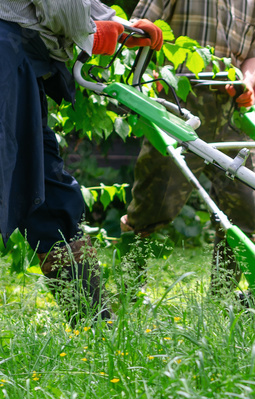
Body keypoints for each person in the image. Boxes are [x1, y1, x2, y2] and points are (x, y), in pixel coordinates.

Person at [0, 1, 162, 324]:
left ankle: (93, 325)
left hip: (18, 60)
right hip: (7, 55)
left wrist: (118, 24)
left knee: (47, 191)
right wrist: (91, 33)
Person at [121, 0, 255, 299]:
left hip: (234, 108)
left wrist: (246, 82)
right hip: (180, 101)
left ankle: (220, 300)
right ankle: (130, 291)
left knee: (245, 209)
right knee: (154, 203)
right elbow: (139, 28)